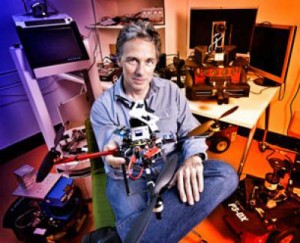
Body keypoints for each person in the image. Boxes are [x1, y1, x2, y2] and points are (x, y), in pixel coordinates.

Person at [90, 20, 238, 242]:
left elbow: (191, 129)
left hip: (171, 165)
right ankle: (151, 226)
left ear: (156, 62)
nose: (141, 71)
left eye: (149, 61)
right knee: (145, 225)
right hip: (130, 178)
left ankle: (126, 235)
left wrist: (193, 159)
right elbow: (109, 145)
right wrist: (113, 154)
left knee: (226, 175)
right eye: (132, 60)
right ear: (119, 59)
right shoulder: (102, 107)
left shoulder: (171, 91)